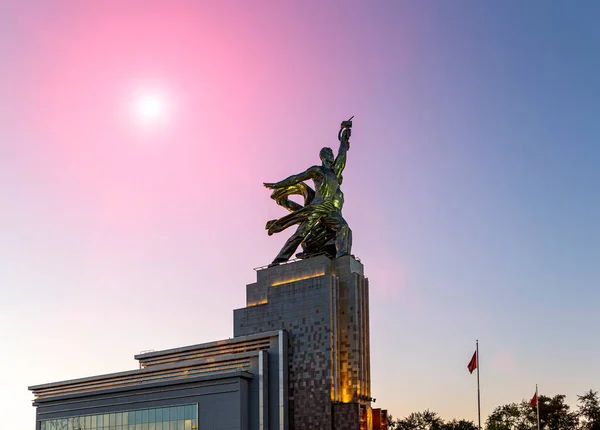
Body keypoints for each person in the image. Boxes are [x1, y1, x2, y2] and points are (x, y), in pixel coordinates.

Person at [264, 125, 352, 265]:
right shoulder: (317, 170)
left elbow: (342, 155)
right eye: (328, 153)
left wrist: (343, 140)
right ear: (322, 156)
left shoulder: (335, 173)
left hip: (329, 209)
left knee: (344, 228)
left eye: (331, 153)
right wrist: (277, 185)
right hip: (317, 207)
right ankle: (278, 260)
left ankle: (342, 256)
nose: (331, 155)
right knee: (300, 234)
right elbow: (296, 178)